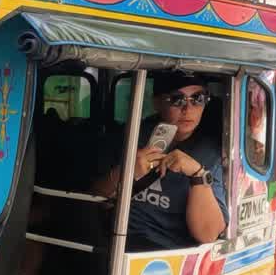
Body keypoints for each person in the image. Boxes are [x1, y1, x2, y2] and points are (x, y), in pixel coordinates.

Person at [92, 72, 228, 250]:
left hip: (168, 252)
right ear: (157, 103)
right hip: (118, 241)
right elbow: (94, 196)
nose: (188, 109)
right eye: (177, 99)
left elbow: (208, 233)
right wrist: (125, 172)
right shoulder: (133, 135)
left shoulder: (210, 153)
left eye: (198, 98)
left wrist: (198, 175)